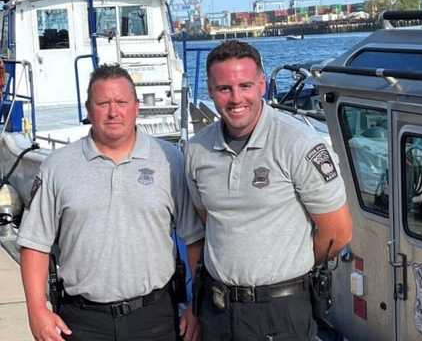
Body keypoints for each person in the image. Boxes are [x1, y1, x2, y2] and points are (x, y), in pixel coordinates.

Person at [17, 64, 204, 341]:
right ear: (89, 109)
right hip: (82, 321)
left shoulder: (169, 161)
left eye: (121, 102)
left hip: (154, 319)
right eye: (103, 103)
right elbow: (34, 243)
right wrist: (36, 310)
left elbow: (194, 240)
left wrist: (196, 307)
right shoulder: (57, 167)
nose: (113, 111)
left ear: (136, 107)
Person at [185, 40, 353, 340]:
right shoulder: (197, 149)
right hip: (218, 310)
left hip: (280, 310)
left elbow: (337, 233)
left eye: (245, 85)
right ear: (210, 91)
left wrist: (285, 264)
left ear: (262, 84)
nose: (236, 98)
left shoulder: (298, 143)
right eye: (224, 88)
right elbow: (209, 221)